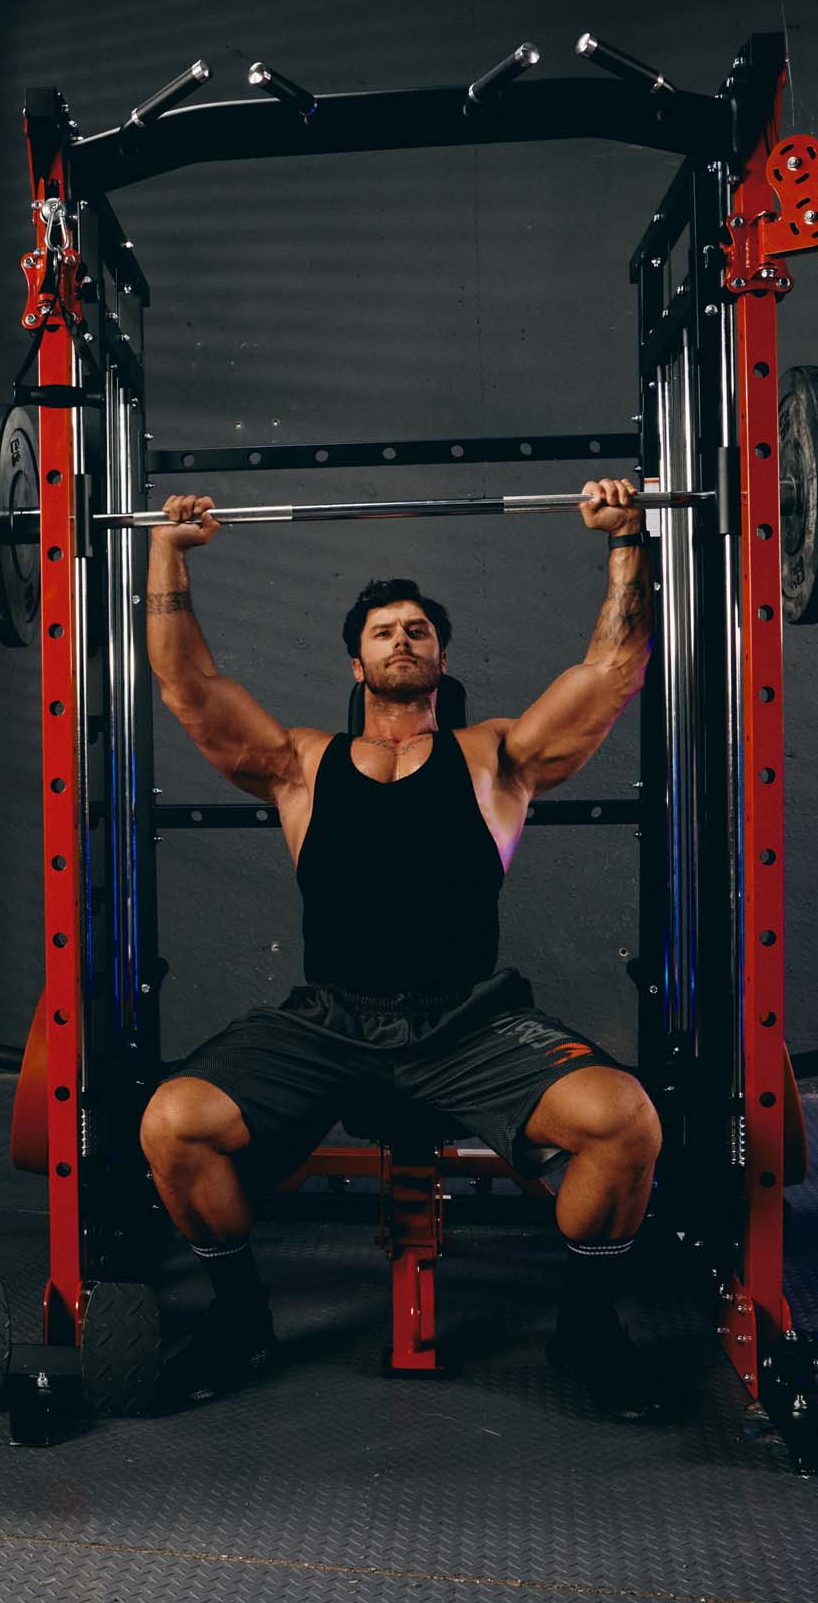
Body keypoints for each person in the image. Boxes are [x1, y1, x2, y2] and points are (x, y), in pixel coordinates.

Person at [136, 478, 669, 1418]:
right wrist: (168, 552)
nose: (401, 639)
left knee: (624, 1120)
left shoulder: (493, 758)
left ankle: (587, 1324)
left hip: (469, 1021)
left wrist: (627, 539)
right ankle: (239, 1316)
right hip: (328, 1024)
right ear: (356, 661)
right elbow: (191, 688)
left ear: (441, 653)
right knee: (171, 1121)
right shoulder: (299, 765)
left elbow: (608, 674)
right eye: (383, 630)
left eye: (417, 628)